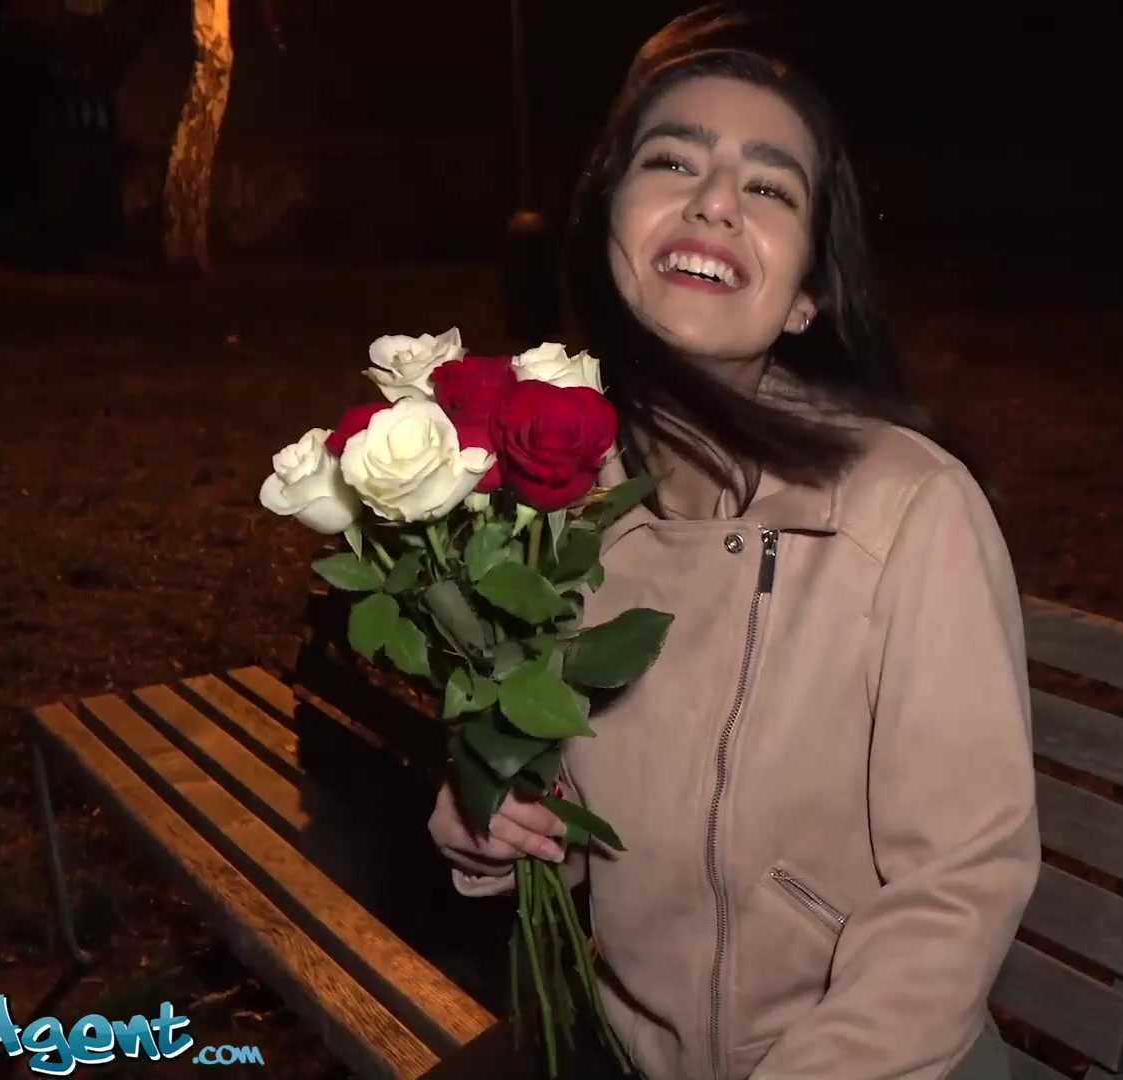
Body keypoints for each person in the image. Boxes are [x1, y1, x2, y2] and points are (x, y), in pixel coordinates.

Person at [428, 8, 1040, 1078]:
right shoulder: (564, 512)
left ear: (806, 297)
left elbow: (957, 889)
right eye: (674, 161)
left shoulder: (908, 509)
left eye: (770, 187)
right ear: (608, 221)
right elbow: (602, 841)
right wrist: (502, 824)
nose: (715, 200)